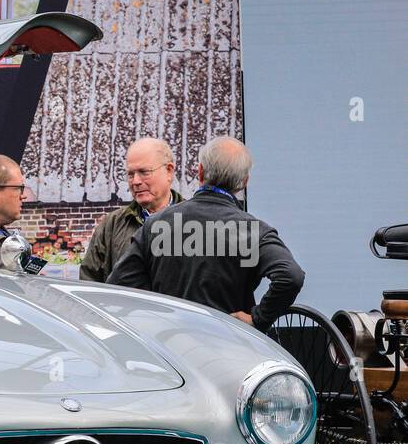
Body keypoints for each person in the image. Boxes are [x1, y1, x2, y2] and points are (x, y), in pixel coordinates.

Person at [107, 136, 304, 330]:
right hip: (231, 345)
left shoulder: (156, 225)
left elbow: (117, 285)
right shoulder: (252, 230)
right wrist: (258, 319)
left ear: (200, 172)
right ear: (244, 181)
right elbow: (290, 276)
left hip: (169, 347)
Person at [80, 137, 182, 282]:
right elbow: (89, 281)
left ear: (169, 171)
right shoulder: (112, 225)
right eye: (130, 174)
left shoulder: (194, 222)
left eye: (144, 172)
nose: (136, 181)